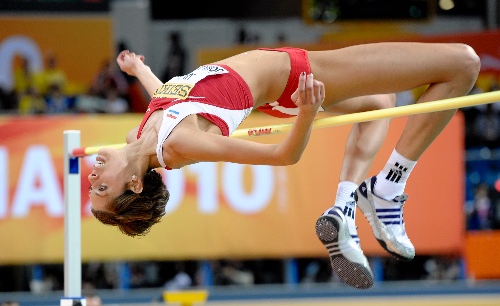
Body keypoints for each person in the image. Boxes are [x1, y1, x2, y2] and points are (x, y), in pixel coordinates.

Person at [88, 44, 480, 289]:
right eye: (102, 188)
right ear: (136, 184)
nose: (92, 177)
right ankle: (385, 189)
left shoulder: (140, 137)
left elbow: (169, 96)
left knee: (380, 103)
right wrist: (307, 114)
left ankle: (352, 202)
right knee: (463, 63)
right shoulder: (178, 145)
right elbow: (282, 157)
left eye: (92, 186)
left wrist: (138, 69)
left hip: (272, 90)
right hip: (292, 76)